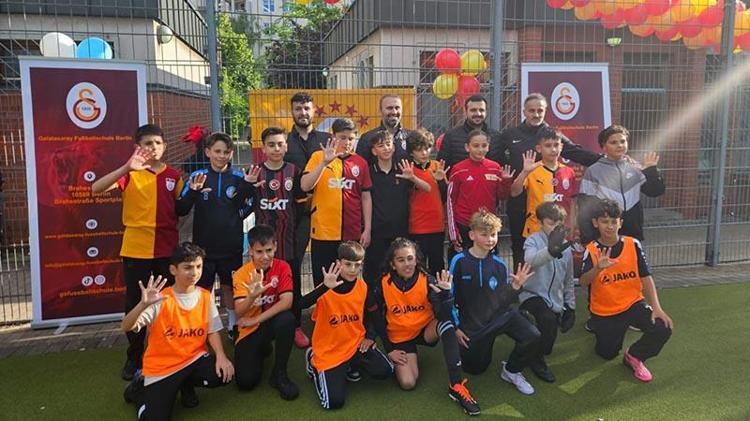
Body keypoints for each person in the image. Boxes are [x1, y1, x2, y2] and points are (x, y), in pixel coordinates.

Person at [92, 123, 189, 381]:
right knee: (136, 303)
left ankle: (167, 350)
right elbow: (96, 188)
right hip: (136, 250)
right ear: (138, 147)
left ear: (164, 146)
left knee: (167, 303)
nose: (153, 147)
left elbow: (182, 207)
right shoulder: (130, 173)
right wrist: (126, 167)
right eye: (148, 143)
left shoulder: (174, 175)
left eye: (157, 143)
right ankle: (134, 356)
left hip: (167, 250)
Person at [121, 243, 234, 420]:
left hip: (193, 359)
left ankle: (185, 385)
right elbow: (126, 326)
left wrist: (221, 355)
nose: (194, 272)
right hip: (162, 368)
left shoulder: (205, 295)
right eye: (187, 267)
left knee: (222, 373)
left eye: (198, 266)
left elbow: (212, 331)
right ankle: (138, 391)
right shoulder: (160, 299)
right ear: (173, 270)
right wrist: (142, 305)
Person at [372, 238, 480, 416]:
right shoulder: (383, 284)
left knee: (446, 325)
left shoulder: (428, 281)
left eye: (410, 258)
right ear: (392, 264)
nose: (407, 264)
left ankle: (456, 385)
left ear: (416, 259)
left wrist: (446, 296)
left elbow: (444, 316)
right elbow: (375, 317)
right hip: (400, 337)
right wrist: (389, 349)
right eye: (401, 260)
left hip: (425, 331)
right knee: (408, 383)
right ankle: (404, 359)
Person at [494, 93, 601, 268]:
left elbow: (576, 152)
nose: (536, 114)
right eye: (532, 111)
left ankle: (551, 281)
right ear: (524, 111)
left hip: (547, 202)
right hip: (520, 199)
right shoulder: (510, 134)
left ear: (545, 111)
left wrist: (605, 160)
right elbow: (495, 158)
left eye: (540, 110)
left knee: (552, 247)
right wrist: (509, 174)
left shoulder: (552, 135)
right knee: (520, 247)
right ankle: (521, 281)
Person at [579, 199, 673, 382]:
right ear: (595, 223)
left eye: (613, 221)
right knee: (606, 354)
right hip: (605, 311)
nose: (610, 226)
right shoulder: (591, 249)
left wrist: (656, 307)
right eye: (604, 221)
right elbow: (583, 282)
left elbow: (646, 276)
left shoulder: (633, 244)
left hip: (633, 304)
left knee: (662, 328)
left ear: (620, 223)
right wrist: (597, 268)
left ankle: (634, 356)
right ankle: (604, 331)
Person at [449, 210, 540, 396]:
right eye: (484, 234)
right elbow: (449, 297)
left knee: (532, 335)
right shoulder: (459, 261)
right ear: (472, 235)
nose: (490, 239)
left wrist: (515, 287)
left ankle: (511, 370)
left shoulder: (499, 264)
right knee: (475, 369)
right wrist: (456, 328)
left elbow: (503, 300)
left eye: (493, 234)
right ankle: (482, 344)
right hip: (473, 326)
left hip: (498, 318)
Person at [299, 241, 393, 410]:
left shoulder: (363, 288)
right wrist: (323, 288)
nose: (352, 269)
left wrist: (373, 339)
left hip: (355, 344)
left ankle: (349, 365)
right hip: (329, 351)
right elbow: (300, 305)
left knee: (385, 370)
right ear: (339, 263)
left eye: (357, 265)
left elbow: (376, 318)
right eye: (348, 264)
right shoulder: (326, 287)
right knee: (333, 402)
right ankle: (313, 362)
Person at [179, 132, 253, 340]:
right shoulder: (198, 177)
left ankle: (232, 324)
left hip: (231, 245)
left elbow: (249, 203)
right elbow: (181, 208)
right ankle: (206, 326)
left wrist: (236, 216)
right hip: (204, 247)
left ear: (231, 154)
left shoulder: (239, 178)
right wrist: (194, 192)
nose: (221, 156)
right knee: (204, 289)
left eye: (226, 152)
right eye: (217, 151)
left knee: (230, 287)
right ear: (207, 152)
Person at [245, 127, 308, 348]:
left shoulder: (294, 171)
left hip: (287, 240)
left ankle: (296, 326)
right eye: (271, 145)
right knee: (262, 285)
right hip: (263, 245)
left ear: (286, 146)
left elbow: (300, 203)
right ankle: (261, 325)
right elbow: (245, 203)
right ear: (263, 148)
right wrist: (247, 186)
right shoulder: (255, 172)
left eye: (280, 144)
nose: (276, 148)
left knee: (293, 284)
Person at [301, 118, 372, 286]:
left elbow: (366, 196)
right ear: (333, 137)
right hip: (323, 232)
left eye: (351, 138)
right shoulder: (318, 157)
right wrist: (324, 163)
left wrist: (367, 229)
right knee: (323, 281)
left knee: (349, 281)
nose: (347, 142)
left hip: (351, 233)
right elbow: (305, 186)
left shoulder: (360, 163)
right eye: (342, 137)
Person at [232, 224, 298, 399]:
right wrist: (252, 296)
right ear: (250, 251)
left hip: (267, 322)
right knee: (246, 382)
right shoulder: (241, 274)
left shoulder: (283, 267)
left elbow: (287, 302)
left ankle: (279, 373)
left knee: (287, 319)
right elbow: (239, 312)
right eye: (259, 252)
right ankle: (262, 349)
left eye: (269, 250)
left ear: (275, 246)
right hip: (249, 329)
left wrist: (256, 319)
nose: (265, 256)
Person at [518, 202, 576, 383]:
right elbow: (530, 260)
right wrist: (550, 251)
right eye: (550, 223)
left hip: (554, 300)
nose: (555, 228)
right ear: (540, 222)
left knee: (548, 341)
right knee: (547, 320)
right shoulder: (533, 240)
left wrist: (571, 307)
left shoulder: (566, 246)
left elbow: (568, 278)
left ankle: (535, 347)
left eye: (558, 224)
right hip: (531, 295)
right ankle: (535, 360)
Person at [363, 130, 431, 285]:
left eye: (388, 144)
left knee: (400, 271)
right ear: (374, 151)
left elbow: (427, 188)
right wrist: (367, 229)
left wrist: (412, 178)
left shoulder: (403, 169)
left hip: (401, 231)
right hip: (377, 232)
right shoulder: (369, 171)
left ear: (394, 147)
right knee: (374, 271)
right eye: (381, 146)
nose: (386, 148)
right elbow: (365, 199)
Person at [578, 125, 665, 244]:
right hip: (605, 234)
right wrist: (588, 238)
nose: (619, 145)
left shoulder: (635, 167)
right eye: (613, 142)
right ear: (603, 146)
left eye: (623, 141)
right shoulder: (593, 171)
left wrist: (651, 171)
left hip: (632, 231)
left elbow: (655, 192)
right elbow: (584, 208)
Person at [285, 93, 330, 321]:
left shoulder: (327, 139)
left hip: (325, 210)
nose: (303, 113)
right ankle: (295, 319)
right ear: (292, 112)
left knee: (326, 264)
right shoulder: (285, 141)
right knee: (294, 264)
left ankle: (326, 311)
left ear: (314, 111)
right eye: (298, 109)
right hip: (296, 212)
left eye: (306, 108)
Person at [446, 130, 514, 257]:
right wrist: (453, 232)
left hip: (487, 225)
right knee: (465, 262)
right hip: (465, 224)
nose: (480, 149)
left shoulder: (495, 168)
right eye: (476, 146)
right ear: (467, 147)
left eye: (484, 146)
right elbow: (450, 200)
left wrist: (506, 181)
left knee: (488, 263)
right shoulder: (458, 169)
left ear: (488, 147)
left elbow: (502, 196)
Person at [510, 126, 578, 240]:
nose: (553, 149)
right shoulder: (532, 170)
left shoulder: (569, 172)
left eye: (556, 145)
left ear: (561, 147)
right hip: (536, 230)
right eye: (548, 145)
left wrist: (572, 226)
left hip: (562, 231)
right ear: (539, 148)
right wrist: (524, 172)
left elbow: (573, 202)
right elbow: (514, 192)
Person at [406, 128, 449, 275]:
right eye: (419, 150)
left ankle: (439, 289)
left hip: (437, 225)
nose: (424, 153)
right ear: (411, 152)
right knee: (419, 266)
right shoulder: (408, 169)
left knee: (438, 264)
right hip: (417, 226)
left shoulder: (437, 166)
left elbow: (444, 196)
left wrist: (441, 181)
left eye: (427, 148)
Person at [437, 95, 501, 168]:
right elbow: (441, 166)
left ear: (486, 111)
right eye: (473, 110)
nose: (478, 114)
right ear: (465, 111)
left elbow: (502, 167)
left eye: (481, 110)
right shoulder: (451, 137)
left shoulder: (496, 136)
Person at [356, 94, 410, 163]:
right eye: (389, 108)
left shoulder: (410, 137)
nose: (394, 112)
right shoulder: (367, 139)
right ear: (380, 111)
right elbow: (360, 166)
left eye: (397, 108)